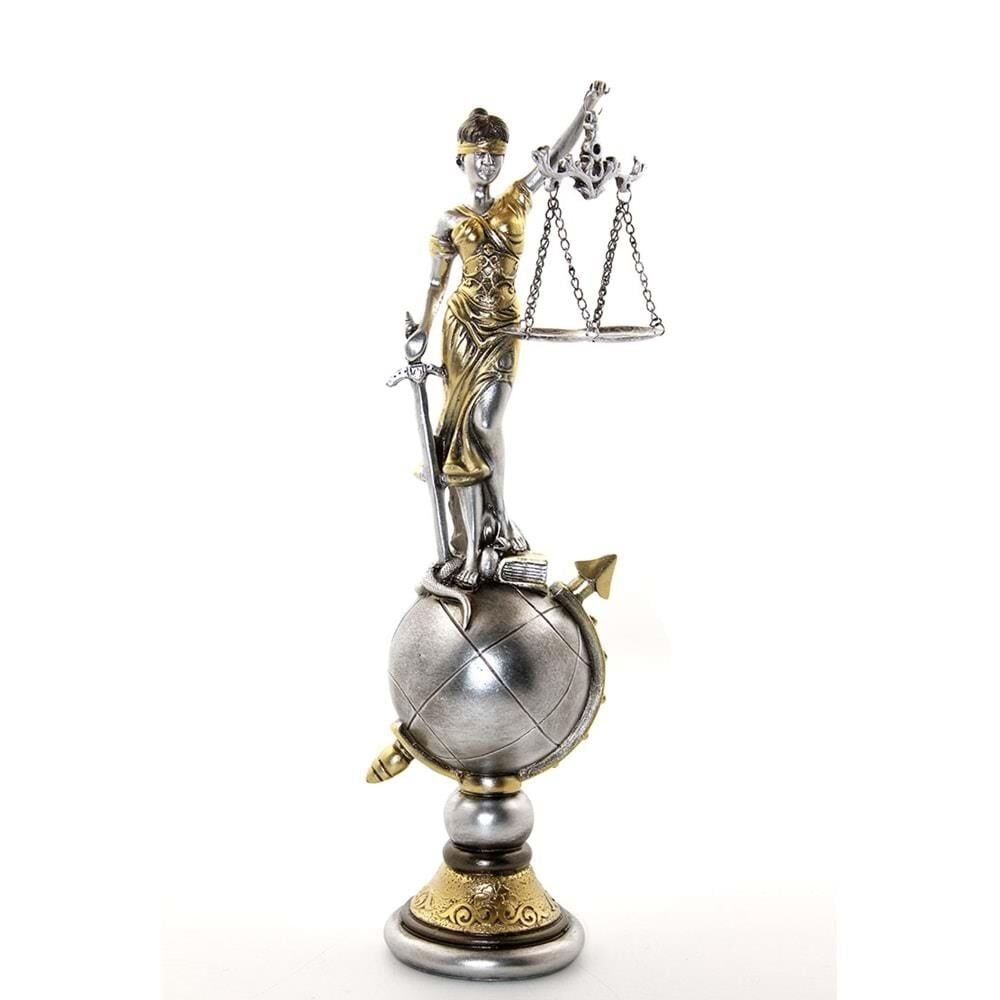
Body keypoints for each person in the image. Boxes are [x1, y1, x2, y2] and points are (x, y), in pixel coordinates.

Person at [411, 82, 609, 589]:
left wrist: (584, 111)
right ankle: (473, 541)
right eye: (479, 155)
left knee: (486, 419)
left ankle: (498, 514)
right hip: (461, 328)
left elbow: (554, 161)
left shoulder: (516, 200)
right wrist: (422, 331)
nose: (488, 164)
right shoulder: (450, 219)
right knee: (464, 431)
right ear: (461, 158)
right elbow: (436, 284)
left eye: (495, 156)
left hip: (503, 326)